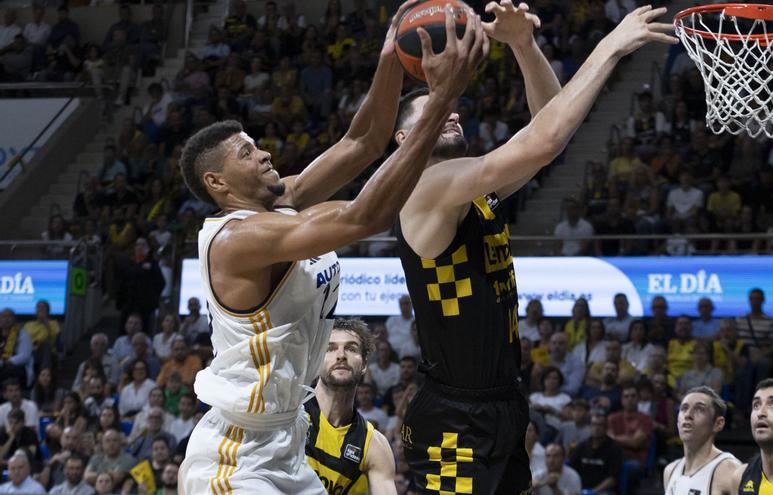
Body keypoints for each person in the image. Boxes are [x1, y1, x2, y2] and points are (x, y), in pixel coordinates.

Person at [179, 3, 483, 493]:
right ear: (217, 181)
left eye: (257, 145)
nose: (264, 153)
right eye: (247, 153)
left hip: (288, 439)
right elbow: (367, 215)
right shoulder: (238, 240)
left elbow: (363, 141)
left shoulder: (283, 204)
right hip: (235, 456)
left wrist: (389, 54)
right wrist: (441, 100)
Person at [391, 3, 674, 492]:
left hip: (501, 402)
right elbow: (543, 142)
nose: (451, 111)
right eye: (432, 111)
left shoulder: (470, 192)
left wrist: (523, 46)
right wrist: (610, 46)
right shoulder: (422, 189)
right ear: (402, 139)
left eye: (451, 107)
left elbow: (550, 133)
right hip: (456, 416)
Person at [304, 319, 396, 494]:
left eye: (351, 348)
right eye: (330, 348)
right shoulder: (288, 415)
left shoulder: (375, 447)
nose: (341, 355)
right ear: (317, 360)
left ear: (364, 365)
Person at [663, 386, 741, 495]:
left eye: (699, 409)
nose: (688, 415)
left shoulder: (731, 471)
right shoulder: (670, 471)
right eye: (684, 408)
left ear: (718, 424)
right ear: (677, 422)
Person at [569, 411, 624, 495]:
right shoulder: (582, 446)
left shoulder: (615, 448)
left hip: (603, 491)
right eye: (594, 424)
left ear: (606, 428)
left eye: (600, 425)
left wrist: (593, 492)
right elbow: (571, 471)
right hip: (580, 489)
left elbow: (612, 479)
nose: (596, 428)